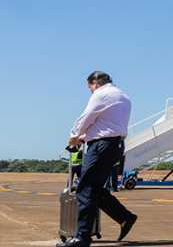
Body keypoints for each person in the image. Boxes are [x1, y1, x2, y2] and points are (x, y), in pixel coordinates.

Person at [59, 71, 137, 247]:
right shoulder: (123, 95)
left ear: (95, 83)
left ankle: (82, 237)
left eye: (90, 88)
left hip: (101, 146)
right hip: (115, 145)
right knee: (94, 189)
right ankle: (125, 217)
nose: (90, 91)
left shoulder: (101, 94)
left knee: (84, 189)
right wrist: (83, 137)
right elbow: (103, 124)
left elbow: (87, 117)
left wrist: (74, 135)